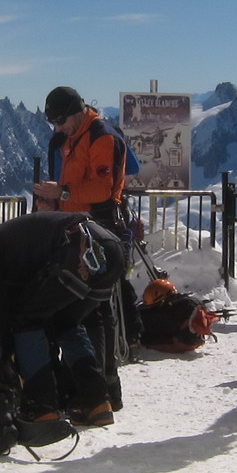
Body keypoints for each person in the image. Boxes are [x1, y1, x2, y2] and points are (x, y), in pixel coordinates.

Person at [0, 211, 126, 427]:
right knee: (66, 323)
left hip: (79, 249)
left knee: (27, 321)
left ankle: (42, 407)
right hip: (108, 248)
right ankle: (96, 402)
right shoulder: (10, 247)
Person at [33, 87, 139, 399]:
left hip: (100, 230)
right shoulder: (70, 138)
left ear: (77, 110)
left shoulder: (101, 137)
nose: (58, 127)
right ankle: (93, 388)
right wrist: (53, 205)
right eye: (54, 122)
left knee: (94, 309)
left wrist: (62, 194)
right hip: (76, 229)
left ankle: (102, 390)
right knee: (83, 309)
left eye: (61, 120)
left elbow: (103, 190)